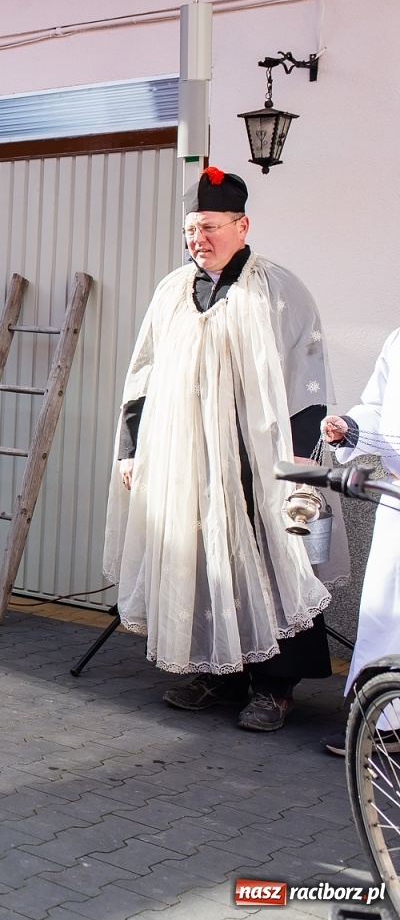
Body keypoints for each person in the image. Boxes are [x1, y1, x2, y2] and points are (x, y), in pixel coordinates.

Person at [105, 166, 342, 732]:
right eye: (191, 230)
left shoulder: (277, 290)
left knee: (269, 560)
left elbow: (308, 376)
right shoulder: (172, 291)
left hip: (256, 459)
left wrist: (303, 459)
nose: (198, 240)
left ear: (242, 225)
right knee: (202, 558)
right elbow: (143, 376)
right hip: (186, 457)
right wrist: (133, 451)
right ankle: (220, 675)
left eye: (210, 227)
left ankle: (276, 687)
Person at [321, 331, 400, 754]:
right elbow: (378, 407)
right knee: (385, 616)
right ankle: (384, 722)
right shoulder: (398, 339)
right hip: (397, 496)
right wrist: (350, 429)